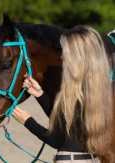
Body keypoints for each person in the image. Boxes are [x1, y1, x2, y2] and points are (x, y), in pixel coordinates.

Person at [12, 25, 113, 163]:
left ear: (76, 56)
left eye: (65, 51)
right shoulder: (97, 90)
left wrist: (27, 121)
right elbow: (67, 126)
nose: (61, 56)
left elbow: (55, 140)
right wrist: (40, 95)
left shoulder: (72, 93)